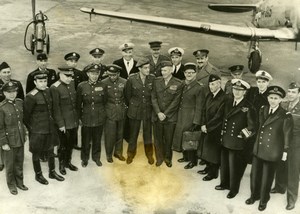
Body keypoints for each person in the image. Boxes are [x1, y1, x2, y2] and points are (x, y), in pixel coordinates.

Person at [245, 86, 293, 211]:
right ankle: (254, 195)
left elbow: (287, 135)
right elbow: (257, 126)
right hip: (259, 148)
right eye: (271, 97)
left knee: (267, 178)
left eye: (276, 98)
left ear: (281, 100)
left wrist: (285, 151)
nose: (273, 100)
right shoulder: (263, 109)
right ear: (267, 98)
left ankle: (263, 200)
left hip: (272, 151)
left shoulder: (285, 115)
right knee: (254, 175)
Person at [215, 79, 256, 199]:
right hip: (226, 139)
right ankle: (224, 184)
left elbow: (252, 127)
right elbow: (223, 119)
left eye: (240, 90)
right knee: (224, 164)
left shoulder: (248, 106)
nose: (237, 92)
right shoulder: (228, 102)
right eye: (235, 89)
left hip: (237, 142)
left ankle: (234, 189)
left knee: (235, 167)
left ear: (245, 92)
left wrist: (242, 136)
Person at [24, 71, 64, 185]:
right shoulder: (31, 96)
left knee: (51, 151)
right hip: (38, 130)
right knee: (36, 153)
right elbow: (26, 116)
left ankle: (52, 172)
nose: (43, 84)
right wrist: (33, 129)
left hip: (50, 128)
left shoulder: (48, 91)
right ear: (35, 82)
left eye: (45, 81)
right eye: (40, 81)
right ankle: (38, 175)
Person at [172, 63, 204, 169]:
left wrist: (196, 121)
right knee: (182, 136)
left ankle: (193, 161)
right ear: (184, 73)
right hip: (181, 115)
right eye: (187, 72)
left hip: (191, 116)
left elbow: (199, 106)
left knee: (190, 138)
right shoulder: (182, 84)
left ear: (195, 73)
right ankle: (185, 157)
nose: (189, 74)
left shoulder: (199, 87)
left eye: (191, 72)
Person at [152, 61, 183, 167]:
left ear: (171, 70)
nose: (162, 72)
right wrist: (158, 112)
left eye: (165, 70)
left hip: (170, 117)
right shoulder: (156, 81)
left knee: (168, 139)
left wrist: (165, 113)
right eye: (161, 70)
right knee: (158, 139)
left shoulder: (178, 83)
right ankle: (159, 158)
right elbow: (153, 98)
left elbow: (176, 101)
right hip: (158, 116)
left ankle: (168, 158)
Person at [125, 58, 155, 165]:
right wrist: (134, 105)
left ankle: (149, 154)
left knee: (148, 134)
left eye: (149, 67)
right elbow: (128, 96)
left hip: (148, 109)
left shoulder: (152, 78)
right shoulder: (132, 79)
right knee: (133, 134)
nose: (148, 70)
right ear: (139, 69)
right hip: (135, 110)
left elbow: (153, 94)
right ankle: (130, 154)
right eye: (145, 68)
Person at [77, 64, 107, 167]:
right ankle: (84, 159)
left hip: (99, 117)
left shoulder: (103, 85)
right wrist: (80, 118)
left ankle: (96, 158)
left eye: (97, 73)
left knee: (97, 139)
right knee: (85, 140)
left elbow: (105, 102)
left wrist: (103, 115)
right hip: (86, 117)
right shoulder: (81, 86)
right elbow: (78, 104)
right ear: (87, 74)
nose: (95, 76)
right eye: (92, 73)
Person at [0, 82, 27, 195]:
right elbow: (0, 127)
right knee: (10, 165)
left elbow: (22, 121)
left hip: (20, 138)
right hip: (9, 140)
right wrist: (3, 142)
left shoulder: (20, 103)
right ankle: (11, 185)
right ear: (4, 93)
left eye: (14, 91)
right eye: (9, 92)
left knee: (19, 162)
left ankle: (20, 182)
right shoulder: (1, 107)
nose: (12, 94)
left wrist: (25, 133)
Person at [50, 66, 79, 175]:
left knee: (71, 143)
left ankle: (68, 162)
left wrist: (77, 119)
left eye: (71, 76)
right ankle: (62, 165)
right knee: (62, 145)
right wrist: (61, 124)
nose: (69, 78)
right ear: (60, 75)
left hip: (73, 121)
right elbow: (56, 108)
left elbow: (74, 103)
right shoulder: (55, 87)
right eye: (67, 76)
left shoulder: (72, 83)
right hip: (63, 122)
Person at [199, 74, 226, 181]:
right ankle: (208, 167)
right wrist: (202, 124)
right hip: (206, 127)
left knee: (214, 152)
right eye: (210, 84)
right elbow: (203, 111)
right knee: (207, 149)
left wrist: (207, 126)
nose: (211, 86)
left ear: (219, 84)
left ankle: (213, 173)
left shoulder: (224, 97)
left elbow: (219, 116)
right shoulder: (209, 95)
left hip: (216, 128)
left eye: (213, 84)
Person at [0, 62, 25, 172]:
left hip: (12, 115)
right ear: (0, 74)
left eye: (9, 72)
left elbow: (21, 99)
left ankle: (13, 160)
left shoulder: (17, 83)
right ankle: (1, 161)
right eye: (4, 72)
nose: (7, 74)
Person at [102, 64, 127, 163]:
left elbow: (126, 96)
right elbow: (103, 99)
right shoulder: (104, 83)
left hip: (121, 110)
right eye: (110, 75)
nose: (112, 77)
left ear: (118, 74)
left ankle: (118, 152)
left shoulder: (124, 82)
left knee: (120, 133)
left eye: (114, 75)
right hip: (109, 111)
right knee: (110, 134)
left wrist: (125, 108)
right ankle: (109, 154)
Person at [64, 52, 87, 151]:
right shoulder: (62, 74)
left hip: (77, 102)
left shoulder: (80, 74)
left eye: (75, 61)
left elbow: (84, 87)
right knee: (66, 123)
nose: (73, 63)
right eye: (71, 61)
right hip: (66, 103)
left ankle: (74, 143)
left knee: (76, 122)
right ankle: (65, 143)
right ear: (66, 62)